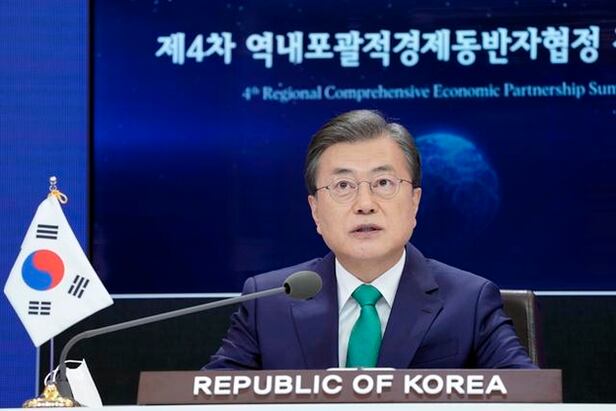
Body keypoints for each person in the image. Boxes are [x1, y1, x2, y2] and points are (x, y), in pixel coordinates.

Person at [205, 110, 536, 370]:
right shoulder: (268, 302)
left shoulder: (470, 301)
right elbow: (208, 400)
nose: (365, 204)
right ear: (315, 210)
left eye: (383, 183)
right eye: (343, 186)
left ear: (415, 202)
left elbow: (529, 399)